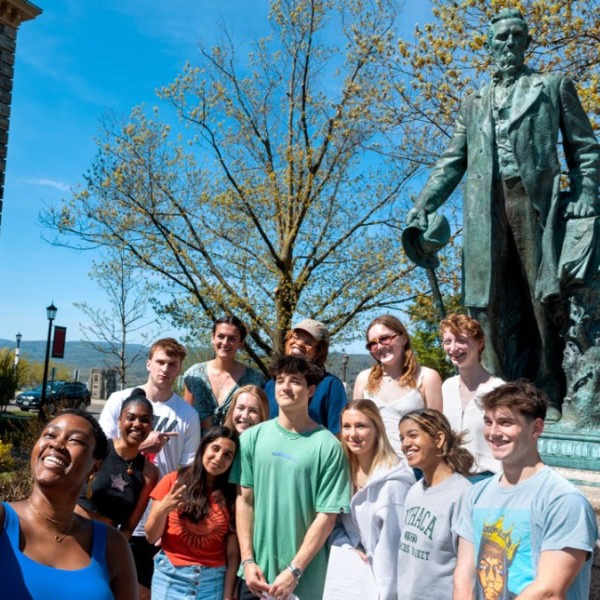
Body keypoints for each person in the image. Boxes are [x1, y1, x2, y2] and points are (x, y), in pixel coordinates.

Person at [405, 8, 600, 418]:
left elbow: (584, 148)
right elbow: (451, 160)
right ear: (490, 46)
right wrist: (424, 205)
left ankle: (547, 387)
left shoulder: (552, 86)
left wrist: (586, 193)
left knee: (540, 296)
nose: (509, 44)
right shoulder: (474, 102)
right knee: (486, 302)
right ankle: (494, 390)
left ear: (527, 42)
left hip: (533, 201)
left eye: (516, 36)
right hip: (483, 207)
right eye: (501, 38)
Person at [453, 381, 598, 599]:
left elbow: (549, 591)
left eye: (505, 423)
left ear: (536, 428)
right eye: (488, 422)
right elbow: (464, 576)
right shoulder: (475, 495)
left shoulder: (564, 500)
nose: (493, 432)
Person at [231, 355, 351, 600]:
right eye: (280, 380)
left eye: (295, 381)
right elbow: (244, 502)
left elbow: (327, 517)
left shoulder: (328, 446)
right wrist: (248, 561)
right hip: (256, 577)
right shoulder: (251, 439)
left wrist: (294, 571)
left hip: (303, 583)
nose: (285, 387)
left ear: (311, 391)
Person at [99, 337, 201, 600]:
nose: (165, 369)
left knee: (144, 591)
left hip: (155, 519)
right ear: (148, 364)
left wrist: (171, 517)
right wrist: (145, 443)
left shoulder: (187, 415)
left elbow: (189, 470)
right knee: (103, 585)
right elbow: (99, 450)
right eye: (160, 362)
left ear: (179, 370)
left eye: (172, 364)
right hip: (112, 507)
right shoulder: (120, 400)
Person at [0, 409, 137, 599]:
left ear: (95, 466)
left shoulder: (111, 545)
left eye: (75, 440)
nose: (56, 444)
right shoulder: (3, 522)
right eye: (49, 434)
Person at [331, 399, 414, 600]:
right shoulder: (344, 472)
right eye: (347, 427)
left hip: (384, 589)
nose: (353, 434)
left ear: (377, 429)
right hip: (351, 580)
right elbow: (335, 526)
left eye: (361, 426)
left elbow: (392, 555)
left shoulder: (394, 484)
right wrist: (348, 548)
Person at [145, 426, 239, 600]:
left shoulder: (232, 495)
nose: (219, 458)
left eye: (227, 455)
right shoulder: (173, 481)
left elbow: (232, 553)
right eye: (215, 448)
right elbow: (151, 537)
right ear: (204, 447)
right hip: (170, 578)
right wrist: (164, 508)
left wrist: (227, 596)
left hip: (212, 583)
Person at [397, 409, 473, 599]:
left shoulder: (463, 495)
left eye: (413, 435)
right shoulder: (414, 491)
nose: (405, 444)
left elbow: (468, 571)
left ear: (439, 439)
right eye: (402, 438)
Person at [353, 314, 442, 458]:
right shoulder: (363, 379)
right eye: (373, 344)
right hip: (374, 465)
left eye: (385, 338)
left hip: (416, 468)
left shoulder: (427, 378)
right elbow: (356, 427)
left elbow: (437, 431)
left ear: (403, 338)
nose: (380, 346)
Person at [76, 388, 159, 537]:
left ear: (151, 426)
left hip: (104, 543)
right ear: (119, 421)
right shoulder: (97, 450)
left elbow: (128, 528)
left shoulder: (149, 473)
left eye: (145, 420)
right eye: (131, 418)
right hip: (70, 533)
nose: (137, 424)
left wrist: (110, 553)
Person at [440, 313, 503, 480]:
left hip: (486, 479)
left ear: (480, 343)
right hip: (450, 478)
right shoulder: (446, 387)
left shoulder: (498, 390)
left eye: (461, 340)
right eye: (448, 342)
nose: (453, 349)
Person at [265, 318, 348, 435]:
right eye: (296, 336)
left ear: (320, 351)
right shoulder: (270, 385)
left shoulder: (330, 386)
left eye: (308, 342)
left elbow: (339, 434)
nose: (299, 343)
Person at [184, 316, 265, 430]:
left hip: (237, 446)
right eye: (220, 336)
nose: (225, 343)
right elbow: (185, 416)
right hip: (197, 445)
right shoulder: (194, 374)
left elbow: (260, 421)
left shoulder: (255, 380)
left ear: (241, 343)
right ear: (213, 338)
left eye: (232, 338)